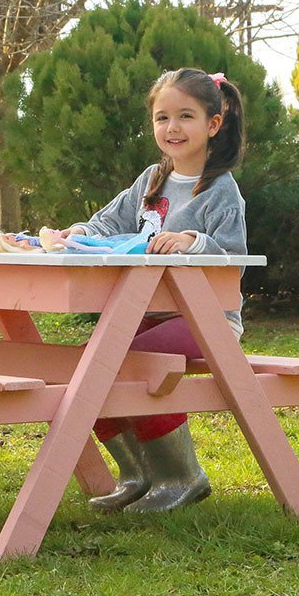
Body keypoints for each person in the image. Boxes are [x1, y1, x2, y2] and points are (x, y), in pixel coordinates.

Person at [56, 67, 248, 513]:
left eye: (185, 116)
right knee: (92, 359)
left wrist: (192, 241)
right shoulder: (151, 180)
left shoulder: (221, 191)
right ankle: (137, 474)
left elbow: (235, 258)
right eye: (162, 118)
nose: (172, 128)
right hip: (145, 313)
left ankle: (181, 476)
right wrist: (77, 231)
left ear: (213, 124)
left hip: (206, 321)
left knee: (131, 364)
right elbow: (107, 222)